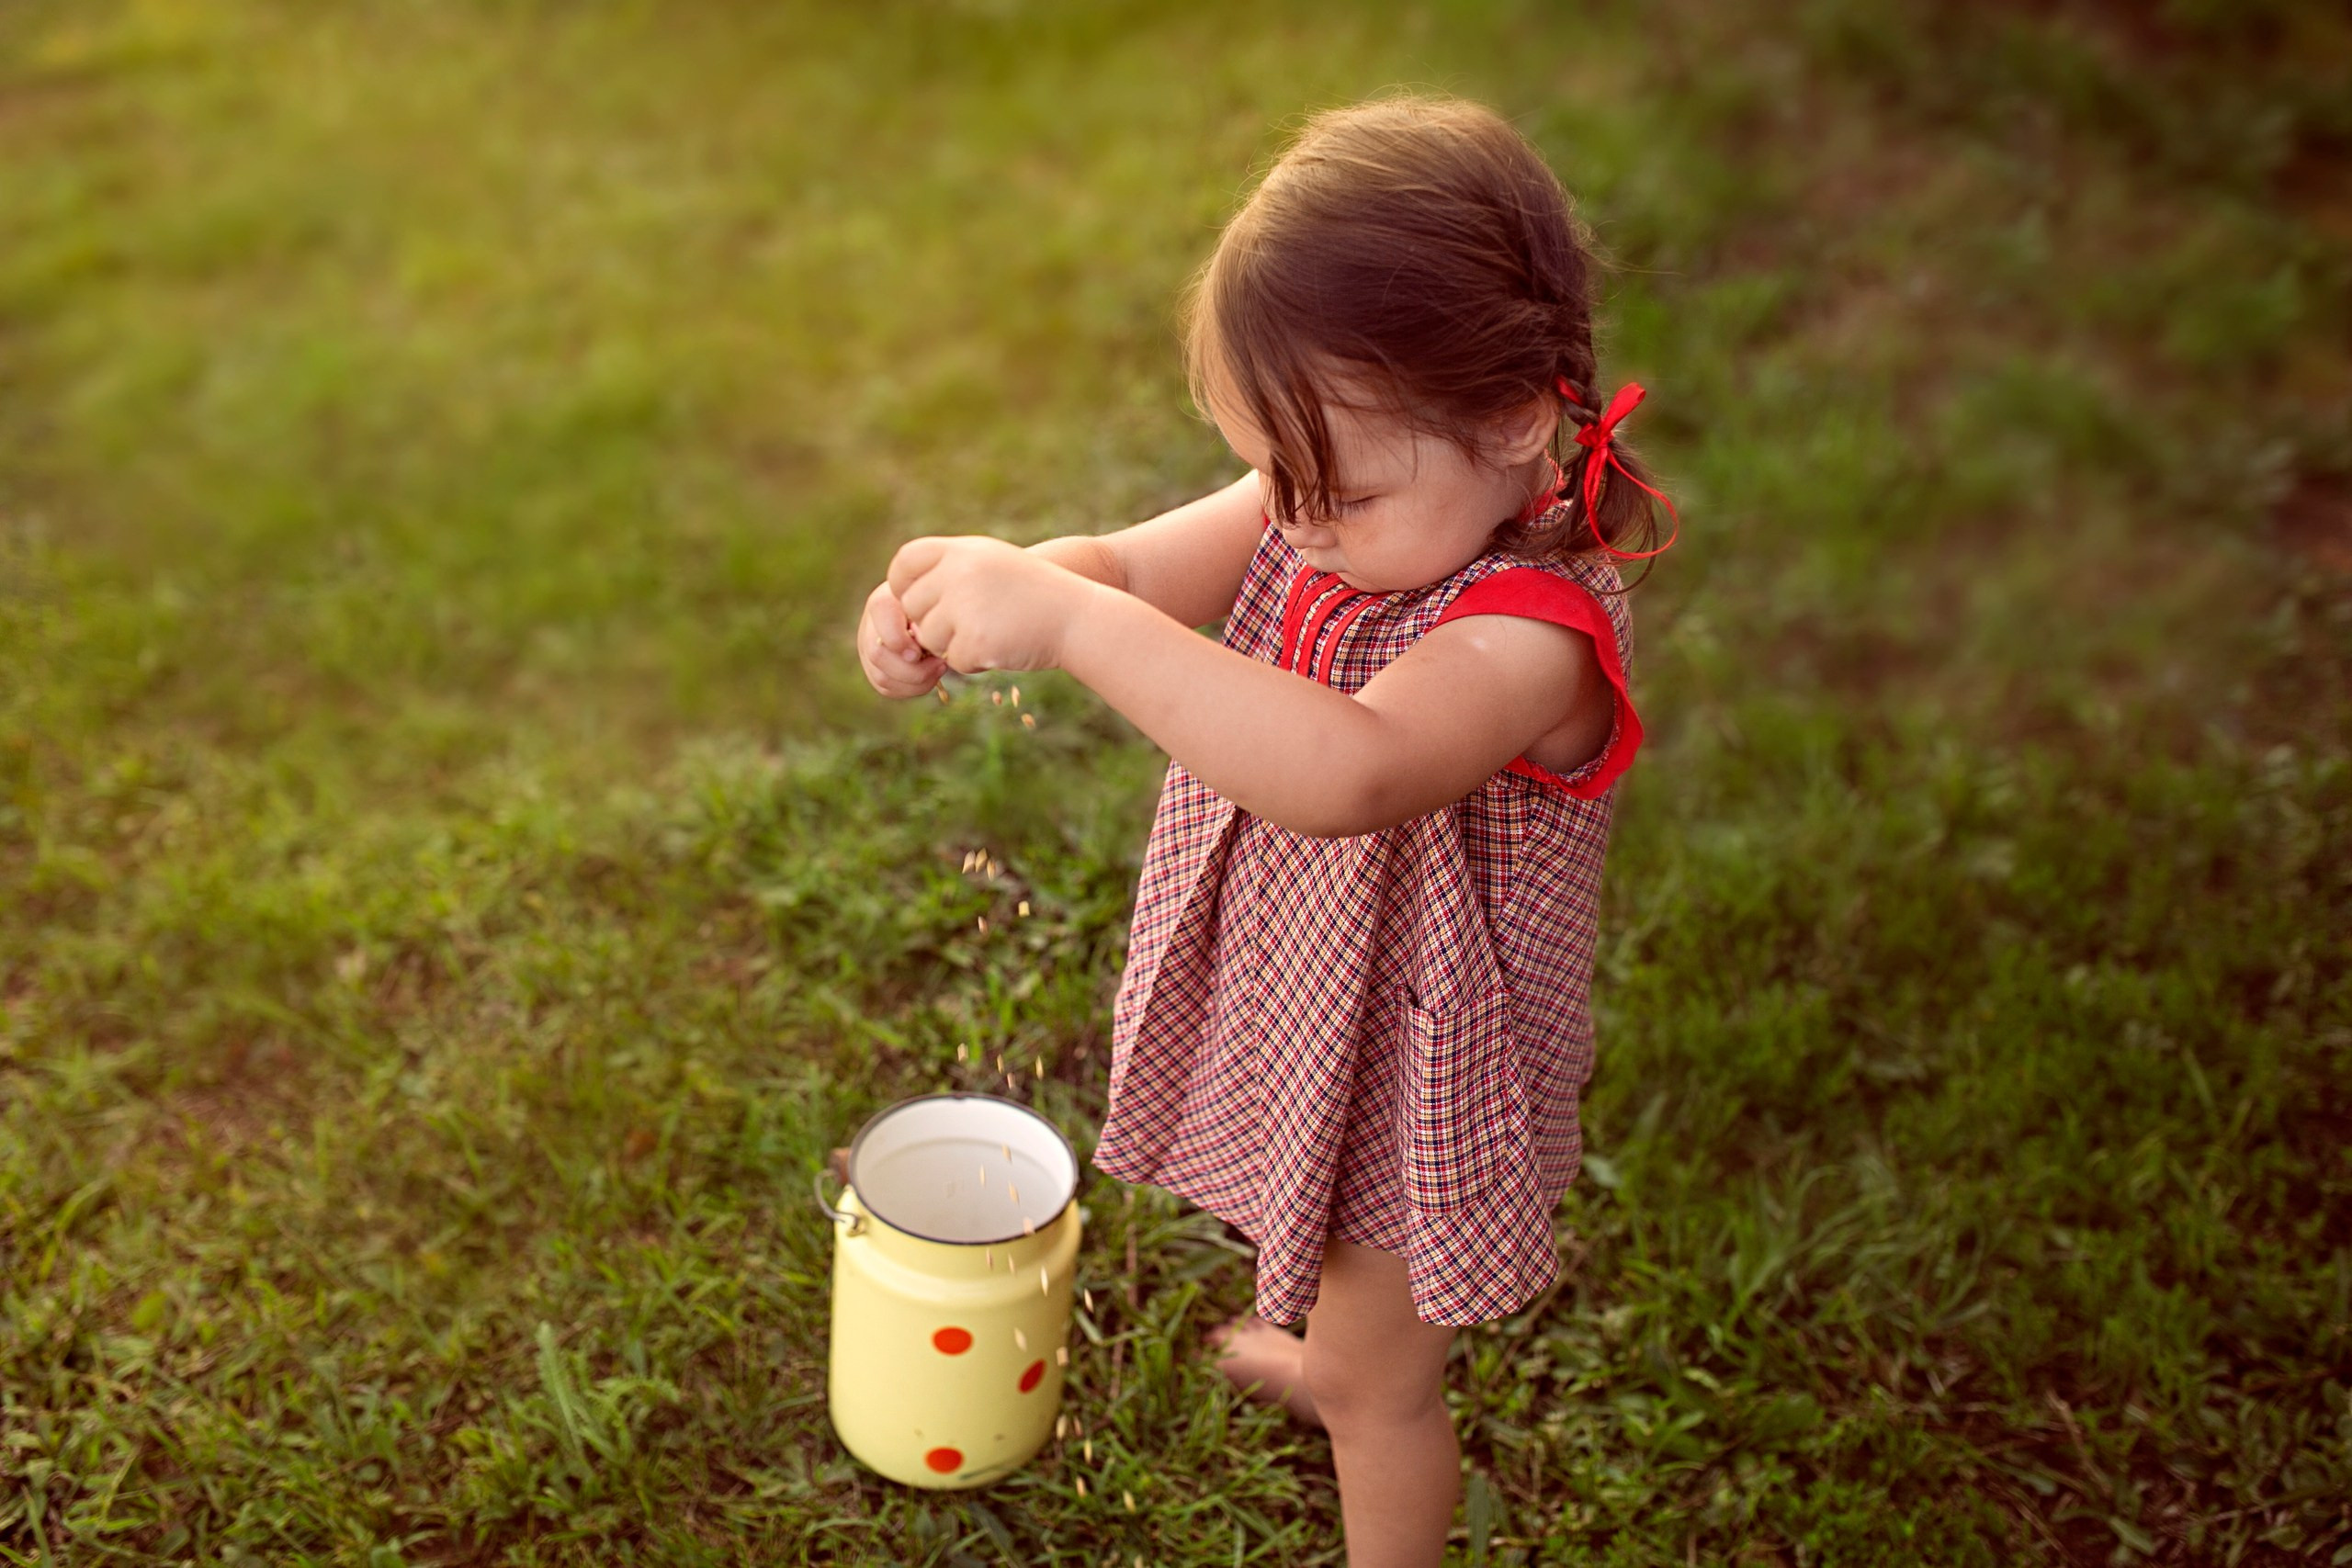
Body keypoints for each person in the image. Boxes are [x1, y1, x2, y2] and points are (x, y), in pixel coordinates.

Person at [854, 94, 1675, 1568]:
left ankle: (1364, 1399)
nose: (1286, 520)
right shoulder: (1347, 496)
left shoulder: (1530, 633)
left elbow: (1349, 770)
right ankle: (1336, 1352)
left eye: (1329, 489)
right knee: (1337, 1288)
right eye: (1268, 475)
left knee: (1382, 1377)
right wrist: (991, 593)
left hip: (1430, 1061)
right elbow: (1118, 566)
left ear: (1508, 418)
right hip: (1329, 1002)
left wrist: (1074, 624)